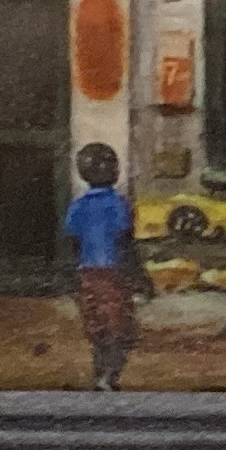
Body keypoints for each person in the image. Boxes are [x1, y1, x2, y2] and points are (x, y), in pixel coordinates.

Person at [65, 142, 152, 391]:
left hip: (87, 274)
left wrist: (74, 277)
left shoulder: (77, 206)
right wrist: (140, 278)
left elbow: (72, 244)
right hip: (113, 274)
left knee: (98, 327)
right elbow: (125, 243)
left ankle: (101, 374)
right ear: (113, 171)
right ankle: (108, 376)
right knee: (122, 329)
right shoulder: (117, 204)